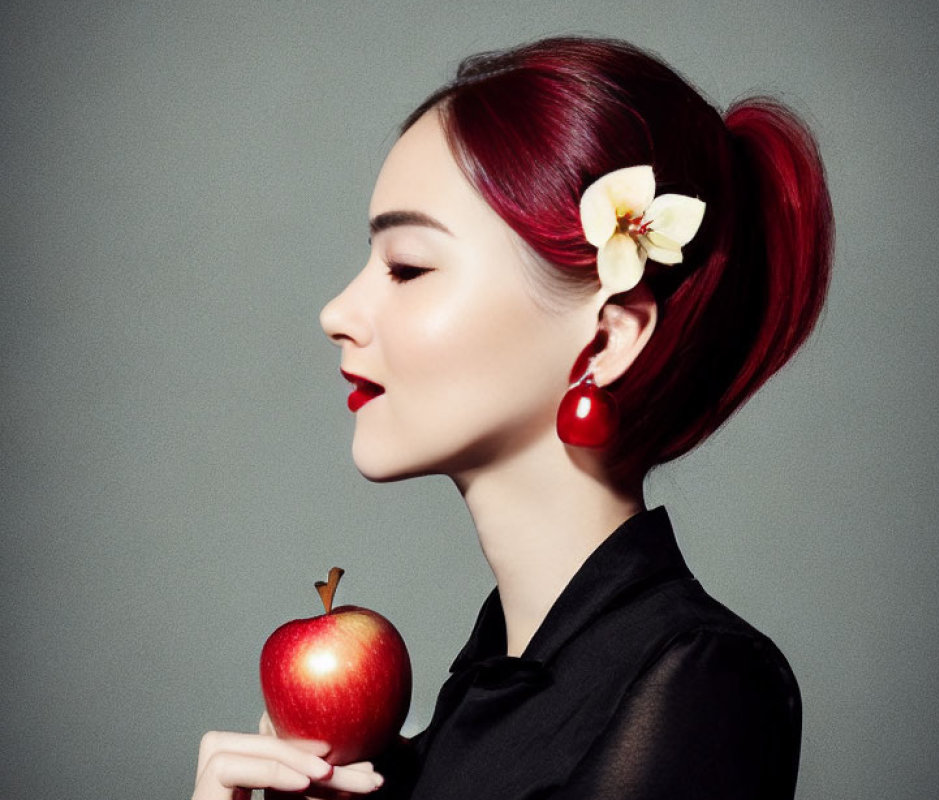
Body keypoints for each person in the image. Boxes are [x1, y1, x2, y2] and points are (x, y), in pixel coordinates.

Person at [192, 35, 832, 800]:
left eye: (408, 267)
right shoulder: (458, 717)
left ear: (605, 336)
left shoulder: (699, 684)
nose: (337, 312)